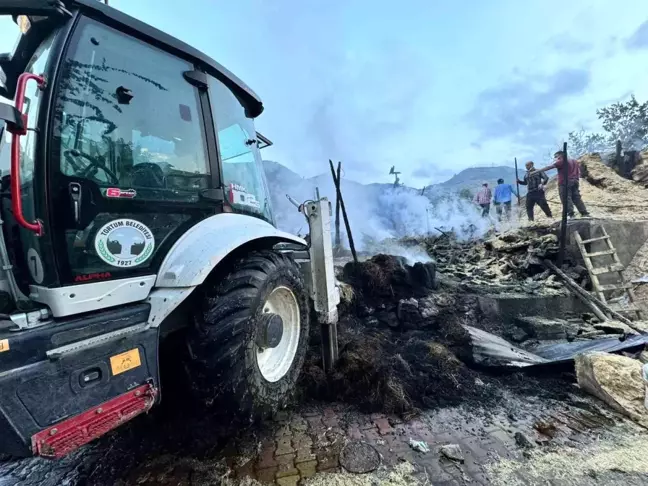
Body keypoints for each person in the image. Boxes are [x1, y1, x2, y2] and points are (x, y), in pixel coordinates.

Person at [536, 151, 590, 218]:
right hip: (575, 181)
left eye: (556, 157)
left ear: (560, 156)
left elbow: (549, 167)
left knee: (566, 198)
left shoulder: (561, 161)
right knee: (576, 198)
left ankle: (571, 214)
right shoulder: (574, 161)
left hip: (565, 182)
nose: (555, 159)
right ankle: (584, 213)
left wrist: (536, 171)